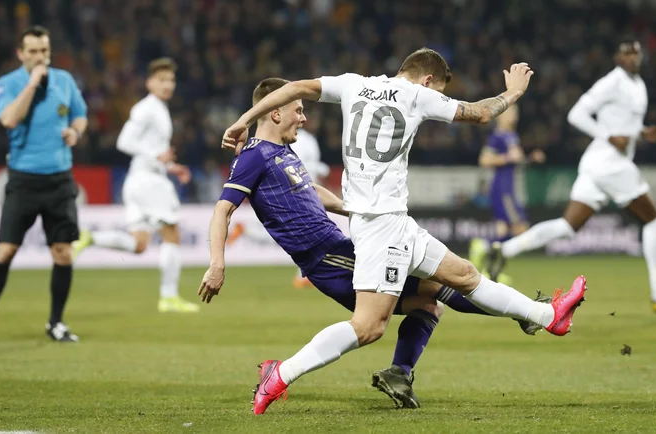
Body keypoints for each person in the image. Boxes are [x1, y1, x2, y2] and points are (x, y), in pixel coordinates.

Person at [215, 48, 587, 415]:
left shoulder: (352, 85)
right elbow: (482, 112)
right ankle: (280, 375)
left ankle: (546, 316)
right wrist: (514, 93)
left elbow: (294, 86)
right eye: (438, 89)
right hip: (382, 228)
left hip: (388, 220)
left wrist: (242, 119)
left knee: (462, 275)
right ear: (427, 80)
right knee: (368, 326)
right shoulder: (417, 95)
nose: (436, 96)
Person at [491, 38, 656, 313]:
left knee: (567, 227)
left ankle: (504, 251)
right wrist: (609, 137)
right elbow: (577, 114)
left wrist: (643, 133)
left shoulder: (638, 85)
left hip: (597, 164)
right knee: (655, 220)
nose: (631, 58)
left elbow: (624, 125)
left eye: (635, 53)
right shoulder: (612, 81)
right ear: (617, 57)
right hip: (611, 163)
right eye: (626, 53)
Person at [71, 58, 198, 313]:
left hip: (139, 179)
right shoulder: (146, 109)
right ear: (149, 82)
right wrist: (156, 157)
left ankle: (90, 237)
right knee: (171, 232)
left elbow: (151, 151)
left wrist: (172, 166)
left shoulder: (158, 109)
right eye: (162, 80)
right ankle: (169, 297)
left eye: (171, 80)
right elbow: (124, 141)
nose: (167, 85)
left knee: (139, 244)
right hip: (149, 181)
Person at [0, 25, 87, 341]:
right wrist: (33, 83)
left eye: (44, 51)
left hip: (60, 180)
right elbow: (8, 120)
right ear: (21, 53)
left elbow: (79, 115)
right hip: (23, 180)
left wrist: (76, 132)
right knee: (4, 251)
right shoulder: (7, 84)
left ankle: (56, 323)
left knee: (63, 252)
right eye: (33, 51)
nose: (40, 57)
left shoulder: (64, 80)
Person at [226, 124, 330, 289]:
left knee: (302, 232)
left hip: (306, 190)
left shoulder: (307, 139)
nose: (302, 119)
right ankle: (246, 230)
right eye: (299, 113)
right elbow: (297, 165)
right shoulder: (300, 139)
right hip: (298, 191)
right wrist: (321, 171)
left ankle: (305, 275)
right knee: (295, 232)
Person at [469, 104, 545, 280]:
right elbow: (484, 160)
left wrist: (529, 158)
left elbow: (515, 161)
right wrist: (508, 157)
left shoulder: (511, 136)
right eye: (510, 112)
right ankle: (484, 246)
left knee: (502, 231)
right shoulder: (498, 136)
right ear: (500, 116)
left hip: (509, 188)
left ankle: (492, 272)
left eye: (516, 112)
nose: (514, 116)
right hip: (503, 189)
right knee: (521, 228)